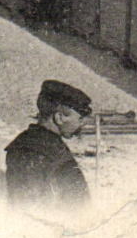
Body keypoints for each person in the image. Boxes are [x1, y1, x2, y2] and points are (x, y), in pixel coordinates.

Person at [5, 80, 92, 218]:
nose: (82, 124)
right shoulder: (45, 151)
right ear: (59, 118)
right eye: (80, 119)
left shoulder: (31, 143)